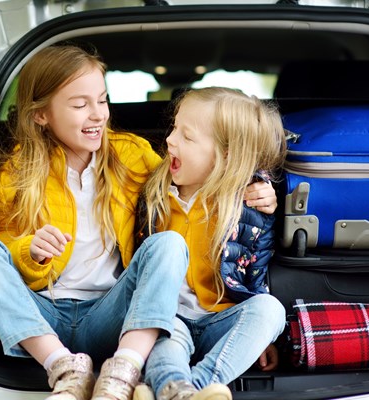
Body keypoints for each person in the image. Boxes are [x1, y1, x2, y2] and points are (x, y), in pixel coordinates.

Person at [0, 45, 278, 400]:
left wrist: (256, 184)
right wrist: (29, 251)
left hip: (111, 314)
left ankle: (123, 373)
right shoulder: (13, 176)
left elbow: (199, 170)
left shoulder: (132, 156)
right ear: (41, 114)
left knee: (168, 244)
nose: (97, 115)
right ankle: (64, 371)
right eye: (80, 105)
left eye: (103, 100)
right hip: (41, 317)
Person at [132, 87, 288, 400]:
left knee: (271, 310)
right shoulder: (154, 194)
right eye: (174, 128)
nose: (170, 140)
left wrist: (258, 339)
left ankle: (197, 386)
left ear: (225, 155)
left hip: (221, 318)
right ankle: (178, 390)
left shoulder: (248, 204)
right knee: (163, 343)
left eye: (186, 136)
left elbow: (255, 272)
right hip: (169, 318)